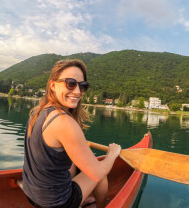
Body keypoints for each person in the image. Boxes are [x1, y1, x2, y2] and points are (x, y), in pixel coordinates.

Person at [22, 59, 121, 208]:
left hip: (32, 194)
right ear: (53, 86)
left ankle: (82, 197)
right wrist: (113, 153)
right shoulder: (64, 122)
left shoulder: (37, 111)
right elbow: (97, 173)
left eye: (83, 86)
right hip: (57, 204)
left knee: (74, 161)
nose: (77, 91)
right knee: (101, 173)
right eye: (70, 83)